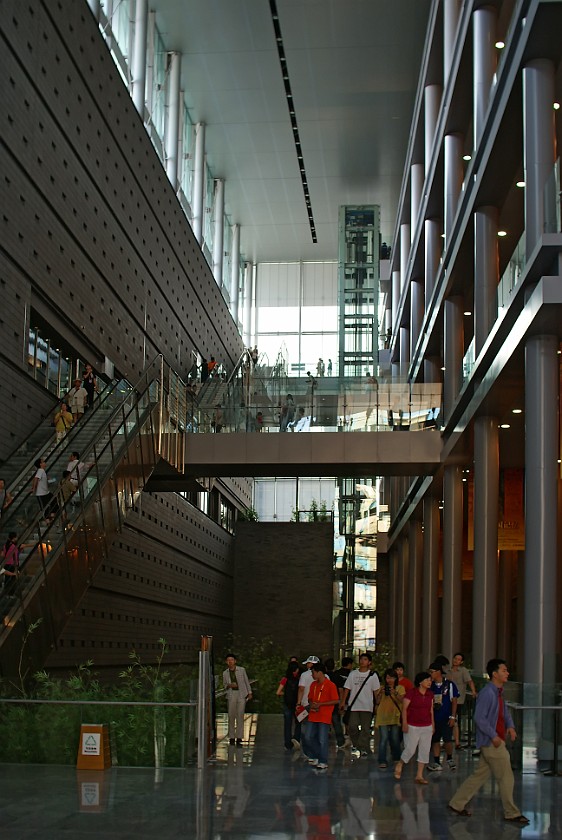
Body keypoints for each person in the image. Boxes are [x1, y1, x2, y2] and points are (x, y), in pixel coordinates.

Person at [448, 659, 529, 824]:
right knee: (506, 777)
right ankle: (511, 812)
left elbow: (504, 712)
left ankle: (457, 803)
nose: (507, 673)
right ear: (495, 673)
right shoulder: (488, 693)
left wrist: (511, 727)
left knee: (478, 776)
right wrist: (493, 736)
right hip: (493, 743)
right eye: (504, 670)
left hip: (493, 741)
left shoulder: (498, 692)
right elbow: (479, 718)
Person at [394, 671, 434, 785]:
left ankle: (419, 775)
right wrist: (405, 723)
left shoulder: (430, 694)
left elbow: (431, 710)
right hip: (412, 725)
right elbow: (405, 709)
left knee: (425, 750)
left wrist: (432, 725)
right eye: (427, 680)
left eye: (430, 680)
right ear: (420, 682)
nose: (429, 682)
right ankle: (401, 763)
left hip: (426, 725)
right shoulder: (411, 693)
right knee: (410, 748)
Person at [340, 651, 380, 757]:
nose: (362, 661)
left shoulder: (372, 676)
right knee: (352, 727)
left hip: (367, 706)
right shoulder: (353, 674)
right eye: (361, 659)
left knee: (365, 729)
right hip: (354, 706)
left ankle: (362, 747)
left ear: (369, 662)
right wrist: (343, 701)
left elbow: (376, 691)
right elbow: (347, 688)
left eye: (365, 659)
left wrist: (377, 704)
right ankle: (358, 745)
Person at [306, 663, 339, 770]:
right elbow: (310, 698)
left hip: (324, 716)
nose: (312, 675)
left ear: (320, 672)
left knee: (322, 739)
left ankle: (323, 761)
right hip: (313, 714)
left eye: (313, 672)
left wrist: (321, 704)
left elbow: (335, 700)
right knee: (308, 736)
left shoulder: (330, 685)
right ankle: (316, 755)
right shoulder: (313, 685)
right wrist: (312, 704)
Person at [427, 662, 459, 771]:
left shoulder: (449, 684)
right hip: (434, 718)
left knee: (447, 739)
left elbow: (454, 701)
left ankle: (449, 758)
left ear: (439, 672)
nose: (430, 674)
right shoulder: (429, 685)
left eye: (432, 672)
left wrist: (452, 717)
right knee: (435, 740)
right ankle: (436, 761)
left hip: (446, 717)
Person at [375, 668, 405, 768]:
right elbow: (377, 702)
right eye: (388, 678)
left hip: (395, 716)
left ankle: (396, 757)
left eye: (392, 678)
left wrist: (395, 692)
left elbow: (402, 700)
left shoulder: (400, 688)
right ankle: (382, 760)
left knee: (395, 738)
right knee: (383, 738)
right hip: (383, 716)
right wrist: (380, 693)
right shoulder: (381, 688)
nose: (390, 680)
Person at [448, 651, 477, 750]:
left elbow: (469, 681)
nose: (456, 661)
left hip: (458, 700)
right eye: (455, 659)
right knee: (450, 720)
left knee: (455, 720)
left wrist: (473, 691)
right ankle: (451, 740)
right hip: (447, 699)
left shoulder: (463, 670)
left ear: (461, 662)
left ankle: (456, 742)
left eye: (459, 660)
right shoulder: (448, 670)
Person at [222, 653, 253, 745]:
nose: (230, 662)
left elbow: (246, 681)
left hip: (241, 693)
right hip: (231, 694)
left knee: (240, 715)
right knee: (231, 715)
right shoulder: (225, 673)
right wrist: (229, 685)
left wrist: (249, 692)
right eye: (228, 660)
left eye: (232, 660)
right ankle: (231, 736)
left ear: (235, 661)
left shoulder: (241, 670)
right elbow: (224, 685)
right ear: (226, 662)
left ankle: (239, 737)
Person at [296, 655, 321, 759]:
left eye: (308, 663)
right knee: (317, 730)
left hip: (306, 705)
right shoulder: (325, 676)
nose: (307, 665)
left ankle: (307, 752)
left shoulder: (304, 675)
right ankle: (317, 752)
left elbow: (301, 689)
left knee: (304, 729)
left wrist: (298, 703)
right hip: (320, 706)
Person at [276, 660, 302, 750]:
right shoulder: (300, 679)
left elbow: (278, 692)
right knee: (299, 723)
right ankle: (296, 740)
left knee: (287, 724)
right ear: (297, 670)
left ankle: (288, 744)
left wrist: (286, 694)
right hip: (298, 704)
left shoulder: (285, 679)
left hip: (287, 704)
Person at [2, 532, 20, 597]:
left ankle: (6, 593)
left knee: (7, 579)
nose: (17, 538)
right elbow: (15, 556)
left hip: (6, 564)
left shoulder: (5, 546)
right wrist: (16, 566)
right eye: (16, 537)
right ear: (14, 538)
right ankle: (11, 594)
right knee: (13, 580)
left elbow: (3, 555)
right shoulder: (13, 546)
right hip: (12, 565)